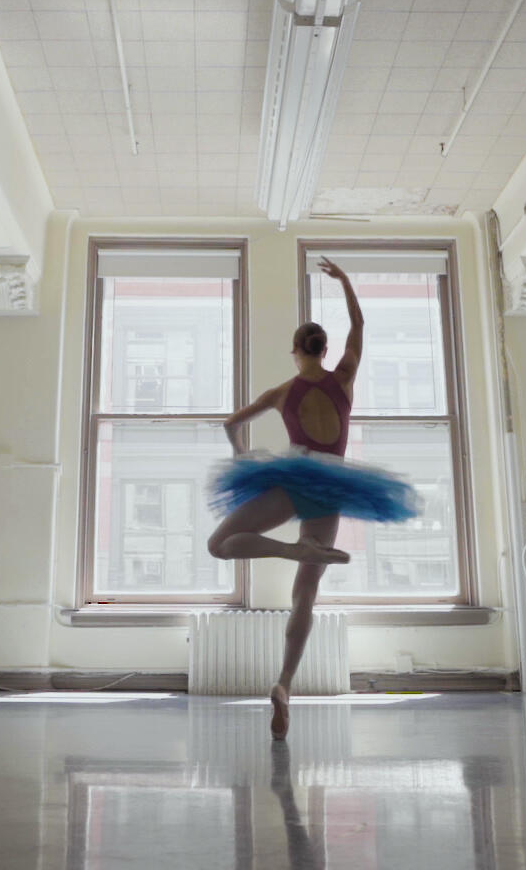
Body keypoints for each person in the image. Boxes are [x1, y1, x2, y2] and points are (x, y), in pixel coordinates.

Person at [206, 257, 420, 739]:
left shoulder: (282, 391)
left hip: (292, 480)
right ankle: (284, 683)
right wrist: (344, 281)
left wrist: (241, 453)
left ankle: (290, 550)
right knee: (306, 592)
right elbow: (359, 325)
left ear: (295, 350)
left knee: (220, 544)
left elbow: (230, 423)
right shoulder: (343, 377)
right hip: (335, 485)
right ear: (323, 348)